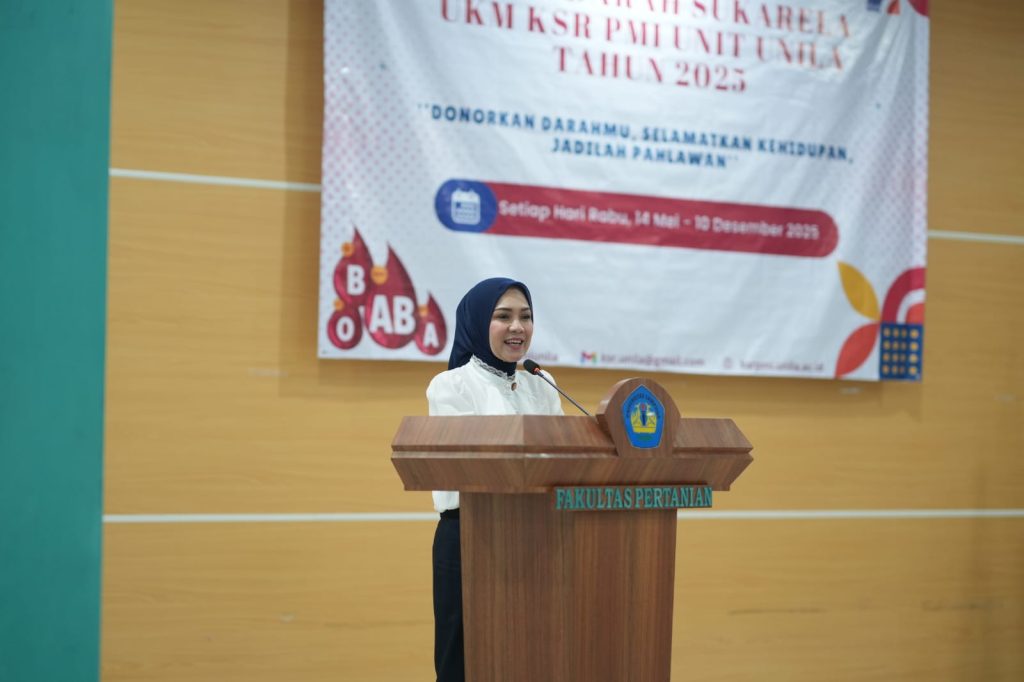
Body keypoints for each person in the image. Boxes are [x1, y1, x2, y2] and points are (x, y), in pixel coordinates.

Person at [426, 277, 563, 682]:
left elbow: (564, 457)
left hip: (539, 533)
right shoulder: (451, 385)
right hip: (472, 534)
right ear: (477, 322)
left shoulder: (542, 383)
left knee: (533, 654)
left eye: (526, 316)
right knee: (465, 658)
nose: (517, 327)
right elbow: (476, 462)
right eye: (503, 316)